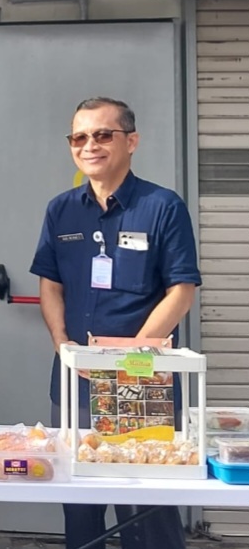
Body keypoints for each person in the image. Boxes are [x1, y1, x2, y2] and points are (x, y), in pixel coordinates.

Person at [30, 97, 200, 549]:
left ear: (132, 141)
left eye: (103, 135)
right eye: (79, 137)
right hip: (76, 382)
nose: (90, 145)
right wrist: (62, 343)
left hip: (141, 381)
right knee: (79, 501)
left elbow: (181, 290)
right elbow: (50, 285)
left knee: (145, 504)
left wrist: (128, 358)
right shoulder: (61, 210)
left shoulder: (162, 206)